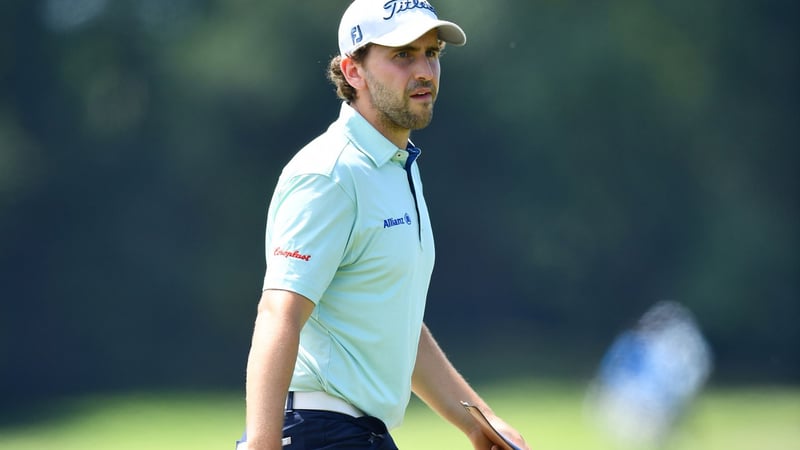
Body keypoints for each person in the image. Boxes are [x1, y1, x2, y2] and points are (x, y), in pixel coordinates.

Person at [238, 1, 530, 449]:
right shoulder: (329, 173)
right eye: (402, 55)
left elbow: (394, 324)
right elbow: (279, 313)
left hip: (358, 435)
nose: (425, 71)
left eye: (431, 53)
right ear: (352, 71)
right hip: (319, 430)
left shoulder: (396, 167)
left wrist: (479, 420)